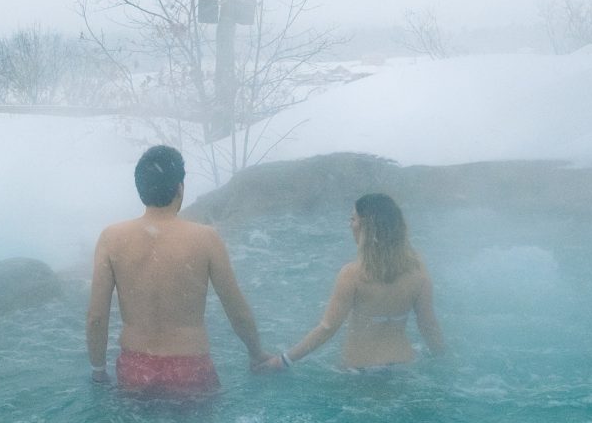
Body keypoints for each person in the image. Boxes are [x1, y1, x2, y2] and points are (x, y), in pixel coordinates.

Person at [87, 144, 281, 395]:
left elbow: (96, 317)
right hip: (190, 370)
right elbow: (236, 310)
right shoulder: (205, 238)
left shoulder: (111, 238)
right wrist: (256, 353)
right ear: (180, 188)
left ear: (140, 189)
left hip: (136, 370)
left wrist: (98, 370)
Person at [282, 192, 444, 371]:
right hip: (403, 366)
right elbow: (428, 325)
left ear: (367, 227)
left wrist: (284, 360)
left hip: (360, 371)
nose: (350, 225)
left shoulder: (352, 274)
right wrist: (445, 360)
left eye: (353, 219)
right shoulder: (418, 269)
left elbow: (327, 328)